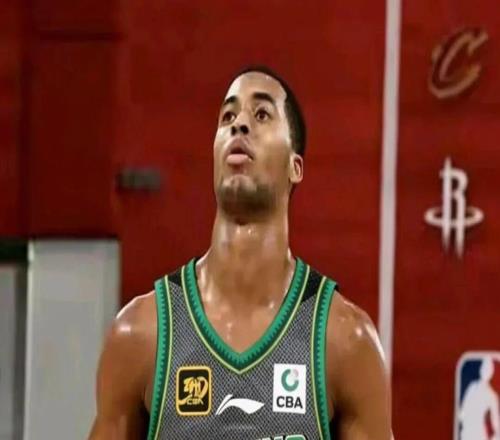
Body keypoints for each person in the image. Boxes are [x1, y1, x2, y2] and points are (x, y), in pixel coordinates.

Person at [88, 66, 392, 440]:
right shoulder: (140, 334)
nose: (240, 125)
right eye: (228, 116)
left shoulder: (344, 340)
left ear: (295, 166)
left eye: (261, 114)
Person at [459, 357, 500, 440]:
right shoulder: (491, 395)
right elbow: (496, 424)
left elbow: (462, 414)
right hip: (474, 434)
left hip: (468, 433)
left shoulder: (472, 387)